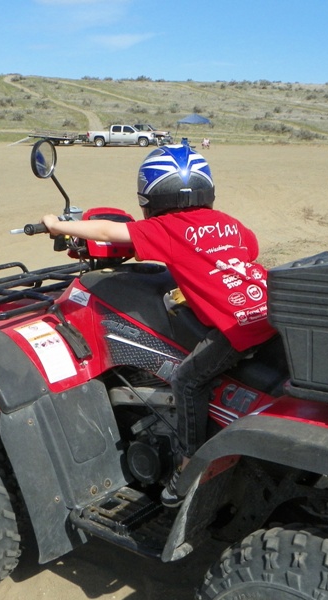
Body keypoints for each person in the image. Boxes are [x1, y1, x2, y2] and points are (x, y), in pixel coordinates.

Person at [41, 144, 276, 507]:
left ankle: (187, 467)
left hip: (236, 332)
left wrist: (57, 224)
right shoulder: (229, 223)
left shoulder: (165, 228)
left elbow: (108, 230)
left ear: (149, 195)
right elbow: (250, 250)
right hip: (270, 313)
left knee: (186, 379)